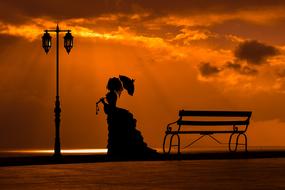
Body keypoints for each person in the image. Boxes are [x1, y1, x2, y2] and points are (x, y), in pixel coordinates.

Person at [97, 76, 157, 159]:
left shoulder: (111, 94)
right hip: (114, 115)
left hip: (113, 115)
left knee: (115, 133)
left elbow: (111, 108)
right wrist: (105, 103)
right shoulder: (112, 94)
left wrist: (104, 103)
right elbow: (112, 108)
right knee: (121, 128)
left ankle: (117, 151)